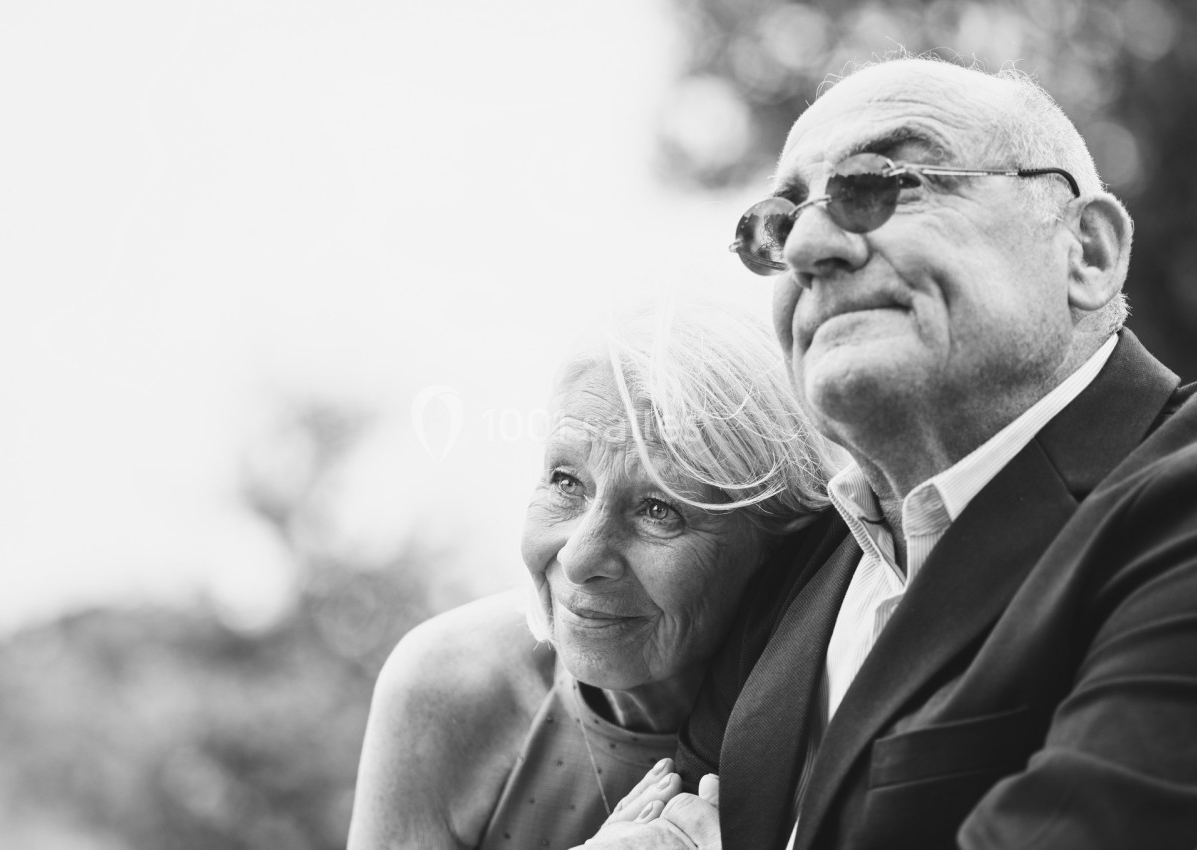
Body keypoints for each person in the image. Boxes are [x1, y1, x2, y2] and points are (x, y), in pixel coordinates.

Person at [593, 56, 1197, 849]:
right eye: (778, 222)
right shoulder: (800, 559)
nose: (809, 246)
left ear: (1084, 250)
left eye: (887, 180)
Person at [346, 299, 845, 849]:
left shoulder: (836, 710)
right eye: (565, 481)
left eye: (660, 509)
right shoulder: (446, 688)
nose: (579, 558)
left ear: (777, 546)